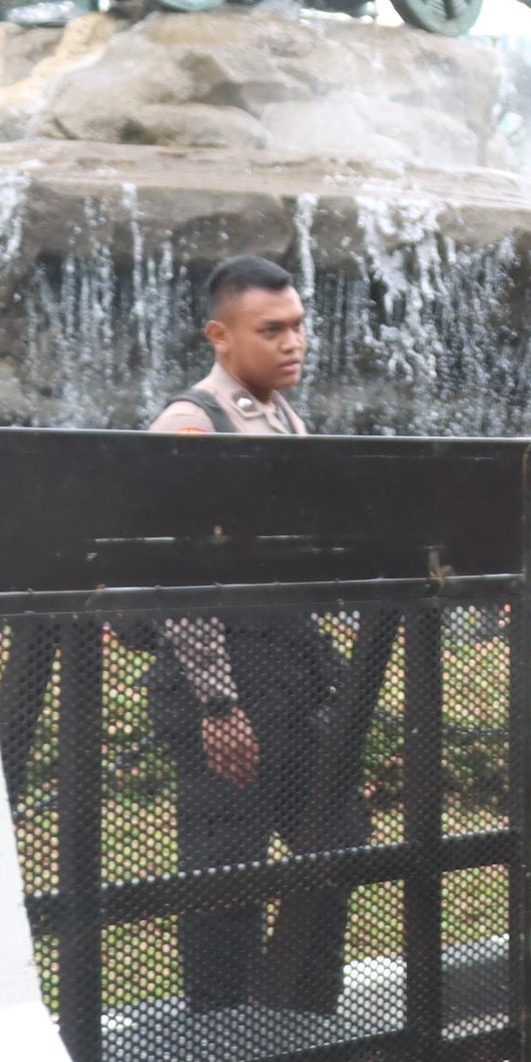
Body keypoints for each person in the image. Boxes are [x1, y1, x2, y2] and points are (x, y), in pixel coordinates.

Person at [144, 255, 357, 1019]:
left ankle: (301, 1044)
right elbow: (180, 576)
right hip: (225, 682)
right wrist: (217, 704)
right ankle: (221, 1052)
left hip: (292, 676)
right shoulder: (192, 424)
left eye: (298, 326)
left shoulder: (285, 416)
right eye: (271, 330)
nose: (293, 342)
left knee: (332, 854)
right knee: (223, 877)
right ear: (221, 335)